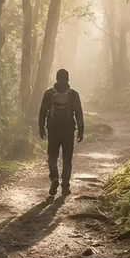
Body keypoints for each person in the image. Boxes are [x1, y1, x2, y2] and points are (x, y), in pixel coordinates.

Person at [39, 69, 84, 197]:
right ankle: (65, 186)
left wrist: (41, 127)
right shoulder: (73, 94)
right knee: (67, 158)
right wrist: (81, 129)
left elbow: (43, 111)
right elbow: (78, 112)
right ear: (68, 79)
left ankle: (54, 178)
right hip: (68, 130)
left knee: (52, 156)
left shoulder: (49, 93)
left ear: (57, 78)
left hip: (53, 129)